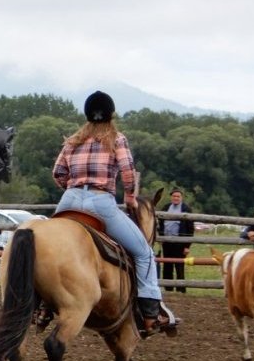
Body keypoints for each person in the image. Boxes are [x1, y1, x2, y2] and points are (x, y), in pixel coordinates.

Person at [51, 90, 178, 337]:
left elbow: (58, 173)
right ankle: (151, 314)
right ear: (111, 115)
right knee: (144, 252)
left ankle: (41, 306)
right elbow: (128, 173)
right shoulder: (117, 139)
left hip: (69, 202)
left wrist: (73, 188)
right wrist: (129, 197)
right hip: (100, 204)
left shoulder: (72, 141)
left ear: (87, 115)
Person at [159, 188, 194, 292]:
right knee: (167, 265)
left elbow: (190, 229)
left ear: (181, 197)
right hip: (167, 242)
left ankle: (181, 289)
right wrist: (161, 236)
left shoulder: (186, 209)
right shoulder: (166, 207)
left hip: (180, 243)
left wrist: (187, 246)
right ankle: (168, 288)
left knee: (179, 265)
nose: (176, 198)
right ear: (171, 197)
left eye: (178, 196)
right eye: (174, 196)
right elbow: (161, 223)